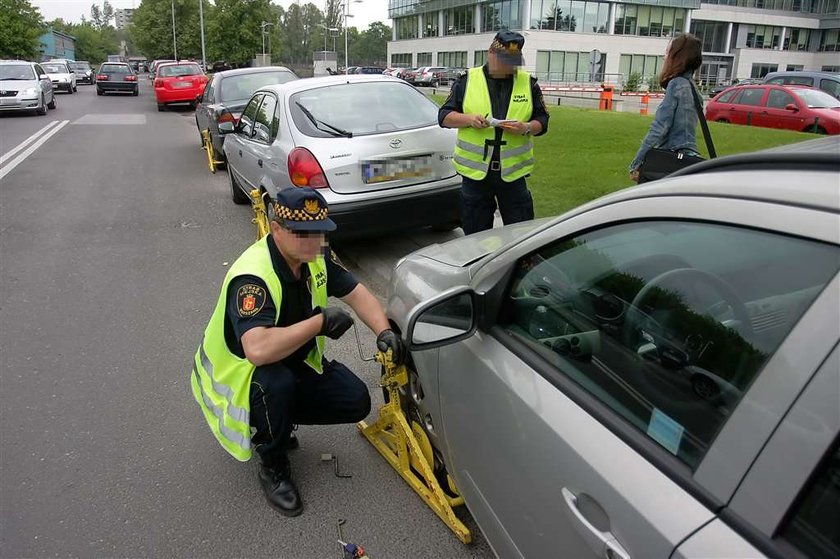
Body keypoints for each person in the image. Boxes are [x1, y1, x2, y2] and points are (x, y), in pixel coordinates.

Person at [190, 187, 405, 517]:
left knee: (356, 400)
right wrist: (318, 324)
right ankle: (273, 464)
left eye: (319, 232)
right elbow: (258, 350)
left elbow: (357, 292)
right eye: (302, 233)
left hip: (292, 359)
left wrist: (384, 330)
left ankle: (279, 417)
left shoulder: (314, 255)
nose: (312, 241)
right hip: (243, 376)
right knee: (276, 386)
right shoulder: (253, 277)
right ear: (276, 229)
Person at [439, 30, 550, 235]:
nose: (509, 67)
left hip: (513, 176)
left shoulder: (528, 83)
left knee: (521, 236)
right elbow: (444, 116)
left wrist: (526, 127)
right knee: (475, 238)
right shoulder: (467, 80)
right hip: (476, 177)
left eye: (513, 62)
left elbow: (543, 120)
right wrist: (469, 119)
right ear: (491, 53)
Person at [629, 33, 703, 183]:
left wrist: (636, 163)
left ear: (677, 57)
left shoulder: (676, 84)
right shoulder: (693, 88)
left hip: (670, 159)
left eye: (667, 52)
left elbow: (660, 128)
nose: (664, 57)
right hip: (689, 158)